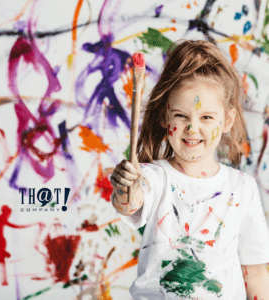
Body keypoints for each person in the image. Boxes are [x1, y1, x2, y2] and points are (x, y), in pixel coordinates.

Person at [110, 40, 269, 299]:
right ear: (165, 117)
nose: (192, 129)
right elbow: (130, 203)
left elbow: (255, 270)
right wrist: (126, 186)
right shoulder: (153, 177)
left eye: (206, 117)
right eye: (182, 116)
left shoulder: (242, 189)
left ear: (227, 120)